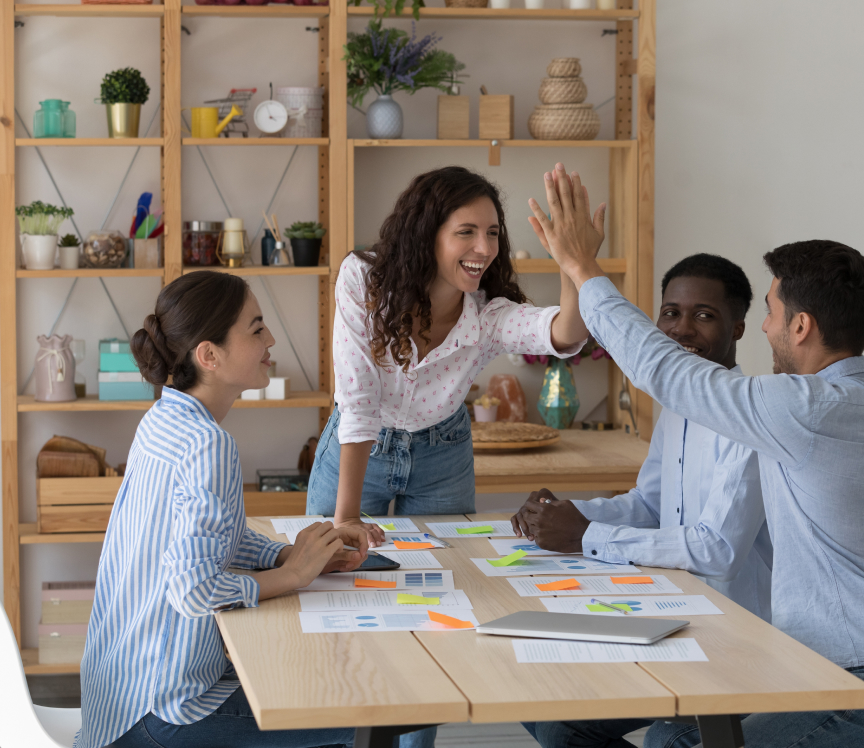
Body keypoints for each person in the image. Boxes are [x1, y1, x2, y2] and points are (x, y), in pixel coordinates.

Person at [524, 163, 864, 747]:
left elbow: (667, 372)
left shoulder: (802, 407)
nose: (765, 331)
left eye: (773, 314)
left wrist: (581, 269)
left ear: (801, 326)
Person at [77, 271, 368, 748]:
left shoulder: (164, 418)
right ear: (209, 355)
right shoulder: (208, 445)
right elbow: (193, 590)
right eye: (256, 329)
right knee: (352, 712)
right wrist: (294, 576)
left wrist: (285, 555)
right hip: (162, 712)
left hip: (117, 702)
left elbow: (203, 537)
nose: (271, 338)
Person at [515, 254, 773, 748]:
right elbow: (650, 506)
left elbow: (718, 551)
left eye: (703, 315)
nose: (681, 330)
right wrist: (569, 515)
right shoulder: (676, 405)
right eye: (670, 312)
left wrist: (586, 535)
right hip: (671, 619)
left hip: (735, 640)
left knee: (662, 741)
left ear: (738, 328)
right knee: (545, 704)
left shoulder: (750, 415)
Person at [306, 166, 595, 544]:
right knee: (333, 564)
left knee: (447, 570)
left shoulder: (488, 315)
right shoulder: (364, 280)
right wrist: (346, 519)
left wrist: (573, 262)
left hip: (443, 456)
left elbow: (566, 332)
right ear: (427, 236)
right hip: (358, 448)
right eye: (466, 232)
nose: (486, 248)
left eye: (492, 233)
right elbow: (359, 400)